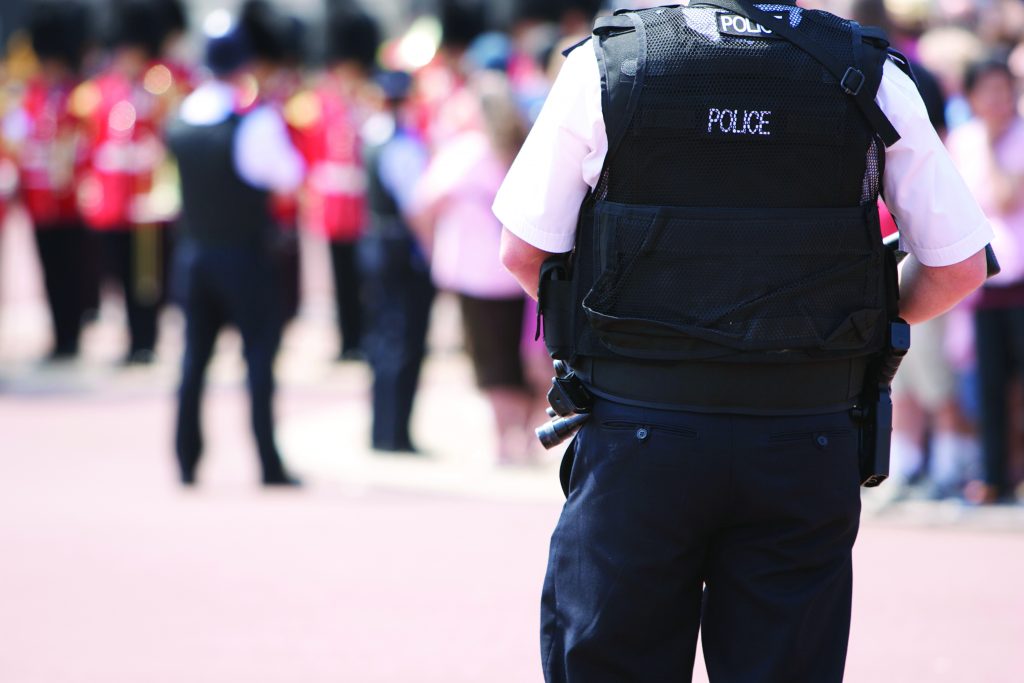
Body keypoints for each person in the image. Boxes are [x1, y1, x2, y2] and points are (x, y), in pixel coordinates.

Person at [495, 2, 992, 681]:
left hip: (638, 430)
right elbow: (959, 266)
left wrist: (615, 335)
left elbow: (524, 251)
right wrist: (857, 333)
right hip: (806, 433)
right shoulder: (868, 72)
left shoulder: (612, 62)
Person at [165, 19, 305, 486]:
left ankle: (186, 460)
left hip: (194, 255)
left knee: (193, 361)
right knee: (260, 360)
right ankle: (267, 462)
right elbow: (289, 175)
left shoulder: (181, 117)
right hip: (245, 254)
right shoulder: (255, 120)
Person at [411, 71, 536, 464]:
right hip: (521, 272)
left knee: (489, 363)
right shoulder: (524, 148)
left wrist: (433, 249)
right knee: (522, 358)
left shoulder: (465, 151)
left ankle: (503, 442)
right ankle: (525, 438)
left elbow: (423, 204)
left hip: (474, 275)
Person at [947, 58, 1024, 504]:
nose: (998, 99)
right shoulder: (962, 140)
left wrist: (993, 146)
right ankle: (994, 475)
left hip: (1021, 279)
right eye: (988, 90)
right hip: (984, 282)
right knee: (989, 384)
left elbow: (1005, 196)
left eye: (1004, 89)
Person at [6, 0, 92, 361]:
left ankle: (73, 335)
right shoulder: (33, 96)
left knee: (74, 270)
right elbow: (18, 141)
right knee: (50, 270)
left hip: (71, 199)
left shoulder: (79, 96)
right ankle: (59, 335)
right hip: (40, 198)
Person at [359, 70, 434, 453]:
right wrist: (433, 253)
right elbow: (415, 208)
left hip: (374, 242)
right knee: (405, 339)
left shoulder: (372, 135)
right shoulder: (403, 145)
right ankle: (395, 433)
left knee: (382, 337)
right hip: (401, 249)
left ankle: (381, 429)